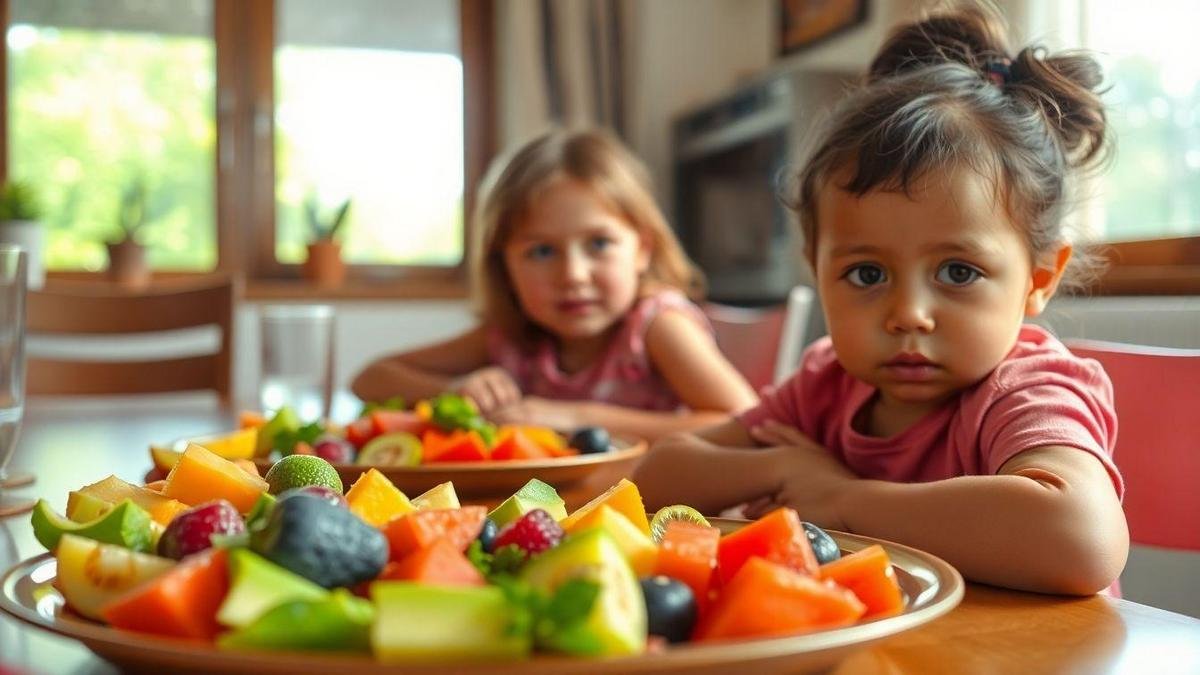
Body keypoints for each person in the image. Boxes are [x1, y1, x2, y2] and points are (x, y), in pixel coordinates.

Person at [633, 5, 1128, 595]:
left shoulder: (1025, 390)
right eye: (867, 274)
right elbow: (654, 480)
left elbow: (1080, 540)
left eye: (957, 271)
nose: (907, 314)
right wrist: (782, 469)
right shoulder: (827, 385)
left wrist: (844, 499)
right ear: (816, 267)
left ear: (1039, 279)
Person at [352, 129, 758, 441]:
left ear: (642, 250)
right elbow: (370, 379)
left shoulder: (655, 326)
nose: (573, 275)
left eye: (599, 244)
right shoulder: (510, 338)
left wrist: (577, 417)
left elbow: (743, 421)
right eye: (542, 252)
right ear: (504, 266)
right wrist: (454, 391)